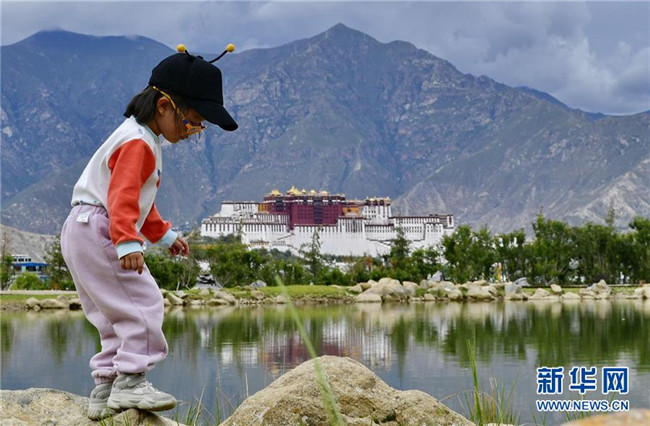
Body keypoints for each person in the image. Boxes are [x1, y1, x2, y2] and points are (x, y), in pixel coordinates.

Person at [60, 45, 237, 420]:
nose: (194, 131)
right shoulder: (138, 143)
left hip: (80, 228)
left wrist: (166, 236)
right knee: (145, 303)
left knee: (113, 314)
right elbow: (122, 197)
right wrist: (127, 242)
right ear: (164, 107)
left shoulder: (137, 137)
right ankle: (131, 381)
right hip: (101, 227)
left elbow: (140, 203)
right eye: (193, 121)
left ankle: (106, 386)